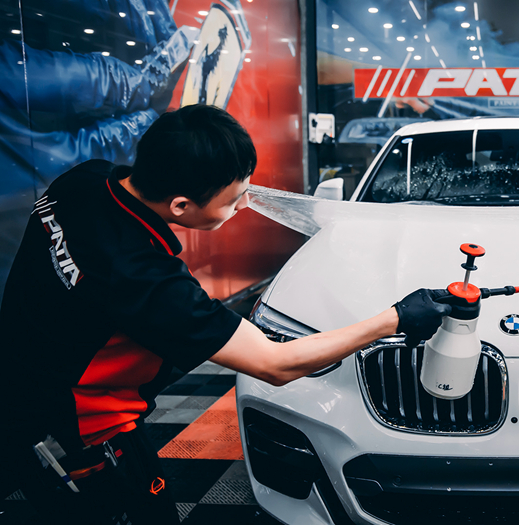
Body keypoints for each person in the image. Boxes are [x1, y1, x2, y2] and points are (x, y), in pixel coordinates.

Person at [0, 104, 451, 525]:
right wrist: (395, 319)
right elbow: (275, 363)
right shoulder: (148, 282)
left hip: (20, 373)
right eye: (234, 198)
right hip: (88, 420)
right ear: (180, 205)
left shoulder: (82, 181)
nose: (243, 205)